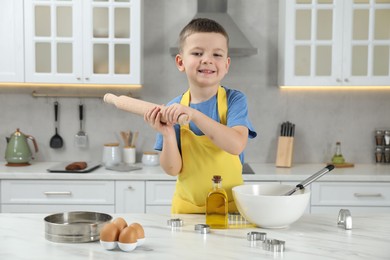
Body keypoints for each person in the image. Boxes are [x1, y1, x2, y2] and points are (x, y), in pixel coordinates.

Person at [144, 18, 257, 214]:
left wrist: (194, 115)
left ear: (226, 64)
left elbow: (236, 144)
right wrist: (168, 133)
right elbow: (172, 169)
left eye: (217, 54)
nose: (207, 59)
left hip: (229, 210)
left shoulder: (234, 100)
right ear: (181, 62)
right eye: (197, 53)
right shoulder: (173, 108)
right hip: (187, 211)